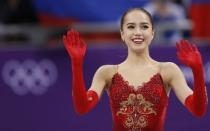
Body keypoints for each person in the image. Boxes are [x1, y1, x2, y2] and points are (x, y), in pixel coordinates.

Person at [63, 8, 208, 131]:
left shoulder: (167, 70)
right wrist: (76, 63)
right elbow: (82, 107)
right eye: (131, 27)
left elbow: (198, 110)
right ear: (122, 34)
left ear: (152, 33)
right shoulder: (107, 72)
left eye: (144, 27)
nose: (138, 32)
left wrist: (197, 70)